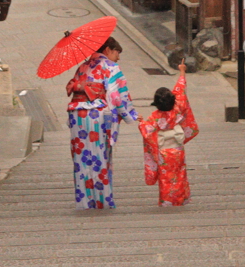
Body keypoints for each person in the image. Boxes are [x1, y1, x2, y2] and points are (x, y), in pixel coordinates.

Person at [66, 36, 138, 209]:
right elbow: (116, 96)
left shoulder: (82, 67)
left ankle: (84, 202)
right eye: (116, 53)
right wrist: (130, 115)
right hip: (97, 115)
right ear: (107, 50)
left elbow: (76, 88)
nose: (118, 57)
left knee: (82, 160)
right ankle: (102, 201)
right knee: (100, 157)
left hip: (77, 115)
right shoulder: (111, 67)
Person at [138, 61, 198, 206]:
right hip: (178, 150)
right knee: (180, 175)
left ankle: (167, 202)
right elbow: (181, 88)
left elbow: (147, 131)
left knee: (166, 178)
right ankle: (182, 199)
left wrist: (141, 121)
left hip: (164, 152)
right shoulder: (178, 108)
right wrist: (182, 71)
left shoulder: (156, 117)